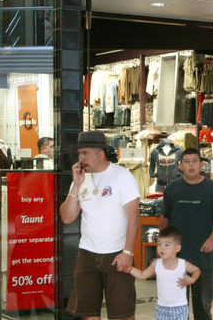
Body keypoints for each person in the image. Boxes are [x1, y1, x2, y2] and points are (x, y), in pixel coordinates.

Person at [60, 130, 141, 320]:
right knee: (88, 313)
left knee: (123, 314)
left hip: (117, 253)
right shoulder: (80, 179)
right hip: (87, 253)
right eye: (79, 153)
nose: (81, 158)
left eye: (85, 153)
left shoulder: (122, 176)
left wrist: (128, 252)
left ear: (100, 154)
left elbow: (134, 217)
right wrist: (77, 186)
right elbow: (67, 217)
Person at [160, 148, 213, 320]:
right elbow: (165, 217)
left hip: (204, 256)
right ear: (180, 166)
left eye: (194, 161)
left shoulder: (211, 187)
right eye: (187, 161)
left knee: (203, 305)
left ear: (201, 164)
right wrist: (163, 245)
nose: (191, 165)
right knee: (178, 306)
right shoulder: (173, 188)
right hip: (178, 257)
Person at [130, 226, 201, 320]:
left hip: (180, 308)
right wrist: (129, 268)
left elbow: (196, 270)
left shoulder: (182, 264)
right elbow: (142, 275)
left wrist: (192, 280)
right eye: (159, 244)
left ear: (177, 248)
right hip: (162, 308)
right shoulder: (156, 264)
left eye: (167, 245)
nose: (162, 248)